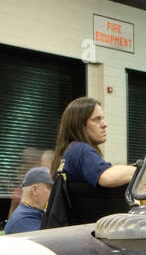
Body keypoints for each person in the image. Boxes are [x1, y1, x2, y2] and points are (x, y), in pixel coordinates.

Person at [47, 97, 139, 226]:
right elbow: (107, 177)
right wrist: (145, 169)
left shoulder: (69, 151)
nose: (104, 124)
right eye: (97, 119)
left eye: (103, 118)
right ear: (79, 125)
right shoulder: (80, 149)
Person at [6, 167, 52, 234]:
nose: (55, 192)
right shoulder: (23, 221)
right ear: (35, 190)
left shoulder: (34, 213)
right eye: (51, 188)